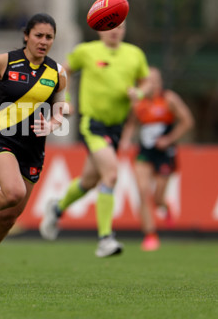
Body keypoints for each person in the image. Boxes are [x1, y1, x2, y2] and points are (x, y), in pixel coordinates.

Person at [0, 13, 68, 287]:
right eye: (39, 35)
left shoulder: (57, 72)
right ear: (26, 36)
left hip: (33, 148)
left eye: (49, 37)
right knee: (14, 191)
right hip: (0, 138)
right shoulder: (3, 61)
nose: (44, 42)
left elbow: (61, 107)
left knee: (9, 217)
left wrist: (53, 123)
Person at [39, 21, 150, 258]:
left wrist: (138, 93)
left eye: (119, 27)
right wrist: (65, 99)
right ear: (100, 29)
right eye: (110, 26)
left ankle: (56, 209)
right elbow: (63, 71)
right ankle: (105, 239)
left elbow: (147, 82)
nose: (115, 31)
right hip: (93, 124)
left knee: (89, 181)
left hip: (117, 127)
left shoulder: (134, 54)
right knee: (111, 175)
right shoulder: (86, 51)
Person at [119, 66, 194, 251]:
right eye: (149, 81)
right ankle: (150, 235)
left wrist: (169, 139)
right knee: (143, 192)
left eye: (156, 80)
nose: (153, 84)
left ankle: (164, 206)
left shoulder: (169, 99)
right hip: (145, 152)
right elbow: (131, 124)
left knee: (157, 197)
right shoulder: (138, 103)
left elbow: (187, 121)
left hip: (164, 153)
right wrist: (126, 140)